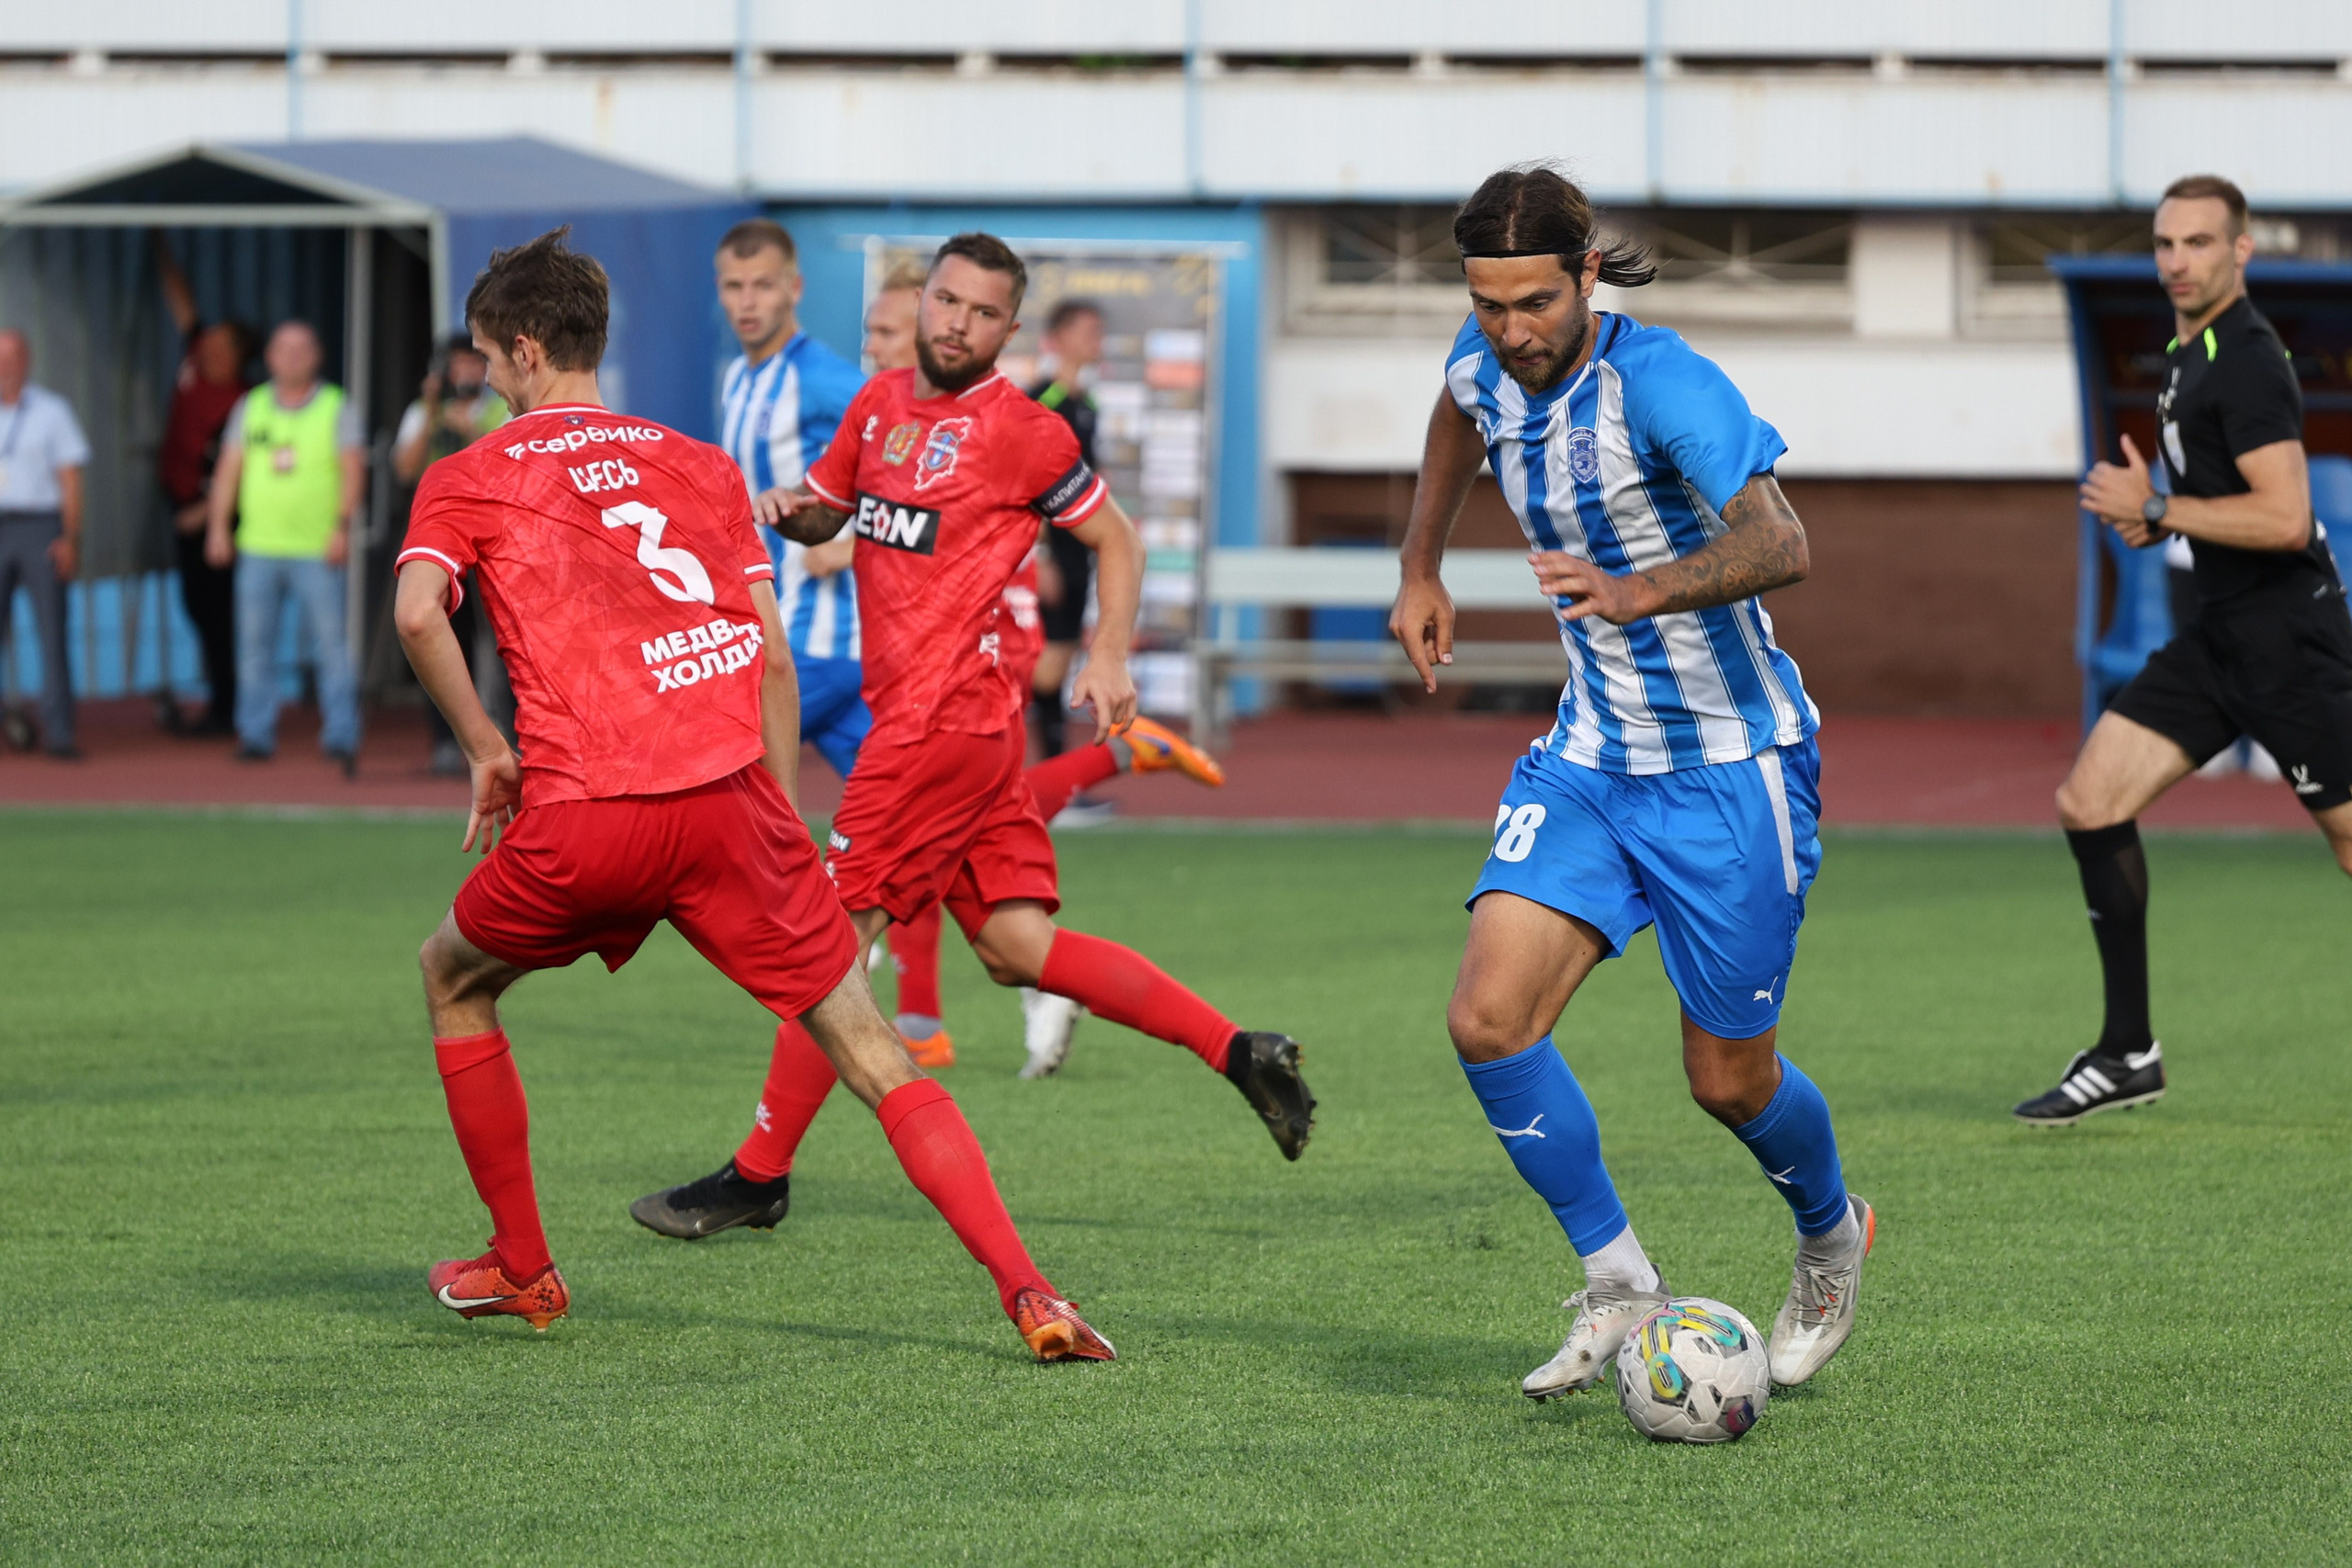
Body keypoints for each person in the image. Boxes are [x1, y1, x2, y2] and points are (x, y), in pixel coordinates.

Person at [390, 227, 1112, 1361]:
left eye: (486, 358)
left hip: (586, 810)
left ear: (525, 351)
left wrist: (486, 746)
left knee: (452, 977)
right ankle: (1033, 1294)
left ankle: (523, 1270)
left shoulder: (470, 473)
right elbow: (769, 658)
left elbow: (419, 613)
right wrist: (772, 813)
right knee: (868, 1046)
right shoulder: (700, 463)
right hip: (731, 806)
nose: (483, 379)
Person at [628, 233, 1312, 1243]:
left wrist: (1108, 653)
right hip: (959, 730)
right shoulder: (876, 406)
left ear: (1007, 328)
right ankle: (1237, 1049)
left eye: (980, 312)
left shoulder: (1021, 430)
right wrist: (799, 512)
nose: (955, 322)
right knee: (1013, 944)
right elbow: (832, 516)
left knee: (825, 945)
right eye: (945, 301)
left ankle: (757, 1174)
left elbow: (1114, 537)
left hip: (933, 731)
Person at [1389, 164, 1872, 1402]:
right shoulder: (1487, 350)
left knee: (1729, 1080)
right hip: (1594, 757)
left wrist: (1640, 586)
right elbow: (1457, 411)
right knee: (1488, 1019)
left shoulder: (1663, 385)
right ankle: (1621, 1282)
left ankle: (1830, 1232)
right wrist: (1423, 563)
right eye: (1489, 304)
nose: (1511, 330)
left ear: (1587, 273)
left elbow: (1783, 539)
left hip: (1729, 771)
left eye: (1535, 303)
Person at [2018, 174, 2352, 1124]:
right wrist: (2159, 521)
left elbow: (2287, 518)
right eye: (2164, 244)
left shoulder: (2243, 357)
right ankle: (2128, 1052)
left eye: (2198, 243)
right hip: (2218, 644)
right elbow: (2225, 509)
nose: (2176, 261)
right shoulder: (2187, 356)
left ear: (2239, 251)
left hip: (2290, 647)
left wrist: (2158, 509)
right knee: (2089, 801)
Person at [861, 263, 1227, 1080]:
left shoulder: (1026, 414)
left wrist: (1052, 576)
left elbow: (1070, 514)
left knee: (854, 912)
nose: (881, 347)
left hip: (968, 663)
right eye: (878, 333)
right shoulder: (885, 414)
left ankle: (904, 1038)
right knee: (990, 920)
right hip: (900, 675)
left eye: (888, 333)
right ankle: (1121, 760)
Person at [204, 321, 365, 772]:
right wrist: (219, 527)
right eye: (283, 349)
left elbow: (353, 470)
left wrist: (341, 527)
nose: (292, 357)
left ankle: (341, 735)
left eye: (302, 348)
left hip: (317, 547)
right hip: (258, 545)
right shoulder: (250, 406)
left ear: (317, 356)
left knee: (332, 647)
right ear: (269, 357)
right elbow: (229, 471)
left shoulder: (336, 405)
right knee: (254, 647)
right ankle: (254, 733)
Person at [393, 333, 511, 775]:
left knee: (502, 642)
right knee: (443, 639)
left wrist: (469, 429)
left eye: (472, 363)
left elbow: (508, 467)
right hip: (442, 546)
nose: (463, 373)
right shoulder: (423, 412)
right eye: (455, 365)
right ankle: (448, 741)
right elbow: (405, 467)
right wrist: (429, 412)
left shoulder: (501, 408)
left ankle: (511, 733)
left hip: (495, 545)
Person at [154, 238, 253, 738]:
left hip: (213, 516)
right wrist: (161, 251)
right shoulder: (196, 358)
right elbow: (185, 308)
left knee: (219, 611)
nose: (208, 344)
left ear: (237, 354)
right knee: (196, 604)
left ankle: (228, 709)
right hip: (180, 502)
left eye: (219, 342)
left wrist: (207, 515)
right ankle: (222, 700)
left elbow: (236, 470)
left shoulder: (241, 401)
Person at [0, 331, 89, 760]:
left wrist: (69, 537)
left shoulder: (52, 411)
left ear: (28, 360)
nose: (6, 367)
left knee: (52, 632)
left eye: (13, 357)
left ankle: (60, 733)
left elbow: (70, 479)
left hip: (38, 523)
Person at [1027, 299, 1106, 772]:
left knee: (1059, 663)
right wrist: (1040, 559)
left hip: (1079, 554)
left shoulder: (1088, 404)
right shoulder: (1042, 400)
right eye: (1088, 330)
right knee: (1044, 667)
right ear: (1058, 338)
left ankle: (1051, 782)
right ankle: (1048, 781)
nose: (1098, 339)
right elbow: (1029, 487)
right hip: (1052, 555)